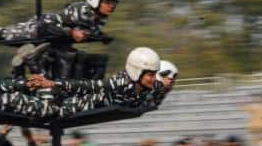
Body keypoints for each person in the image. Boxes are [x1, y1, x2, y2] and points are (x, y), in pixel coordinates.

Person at [30, 47, 169, 117]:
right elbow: (88, 86)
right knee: (46, 107)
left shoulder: (149, 85)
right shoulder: (119, 83)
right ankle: (34, 63)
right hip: (71, 107)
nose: (153, 78)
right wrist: (53, 83)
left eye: (154, 74)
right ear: (137, 72)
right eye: (150, 74)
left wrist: (165, 85)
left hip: (94, 110)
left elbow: (159, 87)